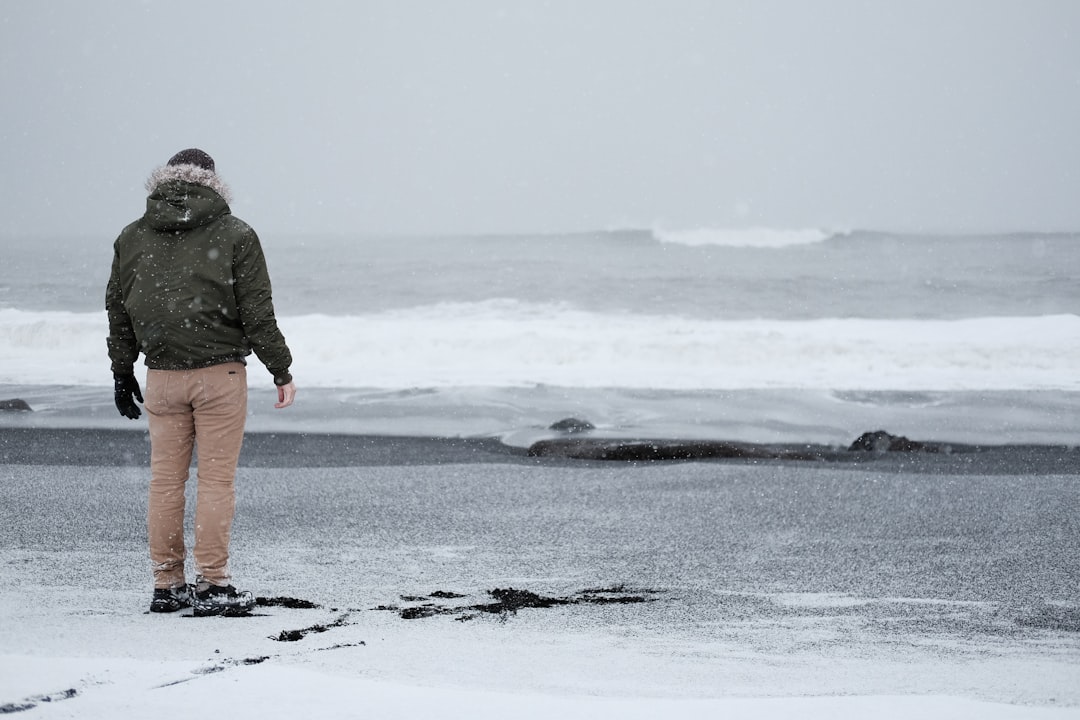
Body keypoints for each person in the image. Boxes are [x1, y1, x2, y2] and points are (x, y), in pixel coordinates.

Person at [106, 148, 296, 616]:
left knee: (165, 483)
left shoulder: (132, 237)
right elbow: (256, 312)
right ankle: (213, 585)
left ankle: (167, 585)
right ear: (212, 182)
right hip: (220, 375)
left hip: (162, 377)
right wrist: (281, 369)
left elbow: (119, 308)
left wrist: (122, 369)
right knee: (215, 482)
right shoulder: (235, 233)